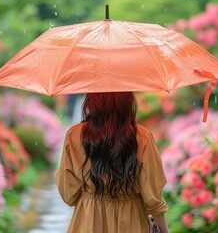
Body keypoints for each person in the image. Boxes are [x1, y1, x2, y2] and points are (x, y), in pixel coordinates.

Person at [54, 92, 170, 233]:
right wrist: (164, 230)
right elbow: (153, 198)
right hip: (131, 223)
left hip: (88, 223)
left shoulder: (74, 135)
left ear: (92, 100)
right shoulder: (142, 137)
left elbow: (68, 194)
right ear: (127, 100)